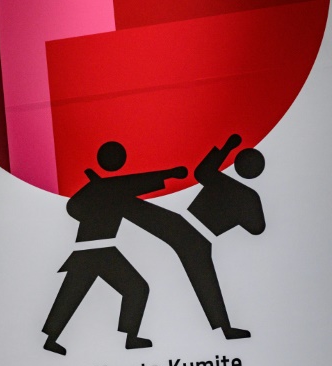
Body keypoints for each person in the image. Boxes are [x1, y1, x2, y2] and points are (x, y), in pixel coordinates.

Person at [42, 142, 188, 354]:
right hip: (95, 251)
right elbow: (73, 207)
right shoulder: (105, 188)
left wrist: (170, 173)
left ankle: (130, 337)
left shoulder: (110, 187)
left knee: (131, 289)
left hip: (99, 250)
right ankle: (54, 339)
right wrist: (170, 173)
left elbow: (136, 183)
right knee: (77, 294)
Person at [188, 133, 266, 236]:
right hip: (195, 231)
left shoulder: (247, 196)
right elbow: (257, 228)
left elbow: (202, 173)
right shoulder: (250, 196)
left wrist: (228, 148)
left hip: (189, 226)